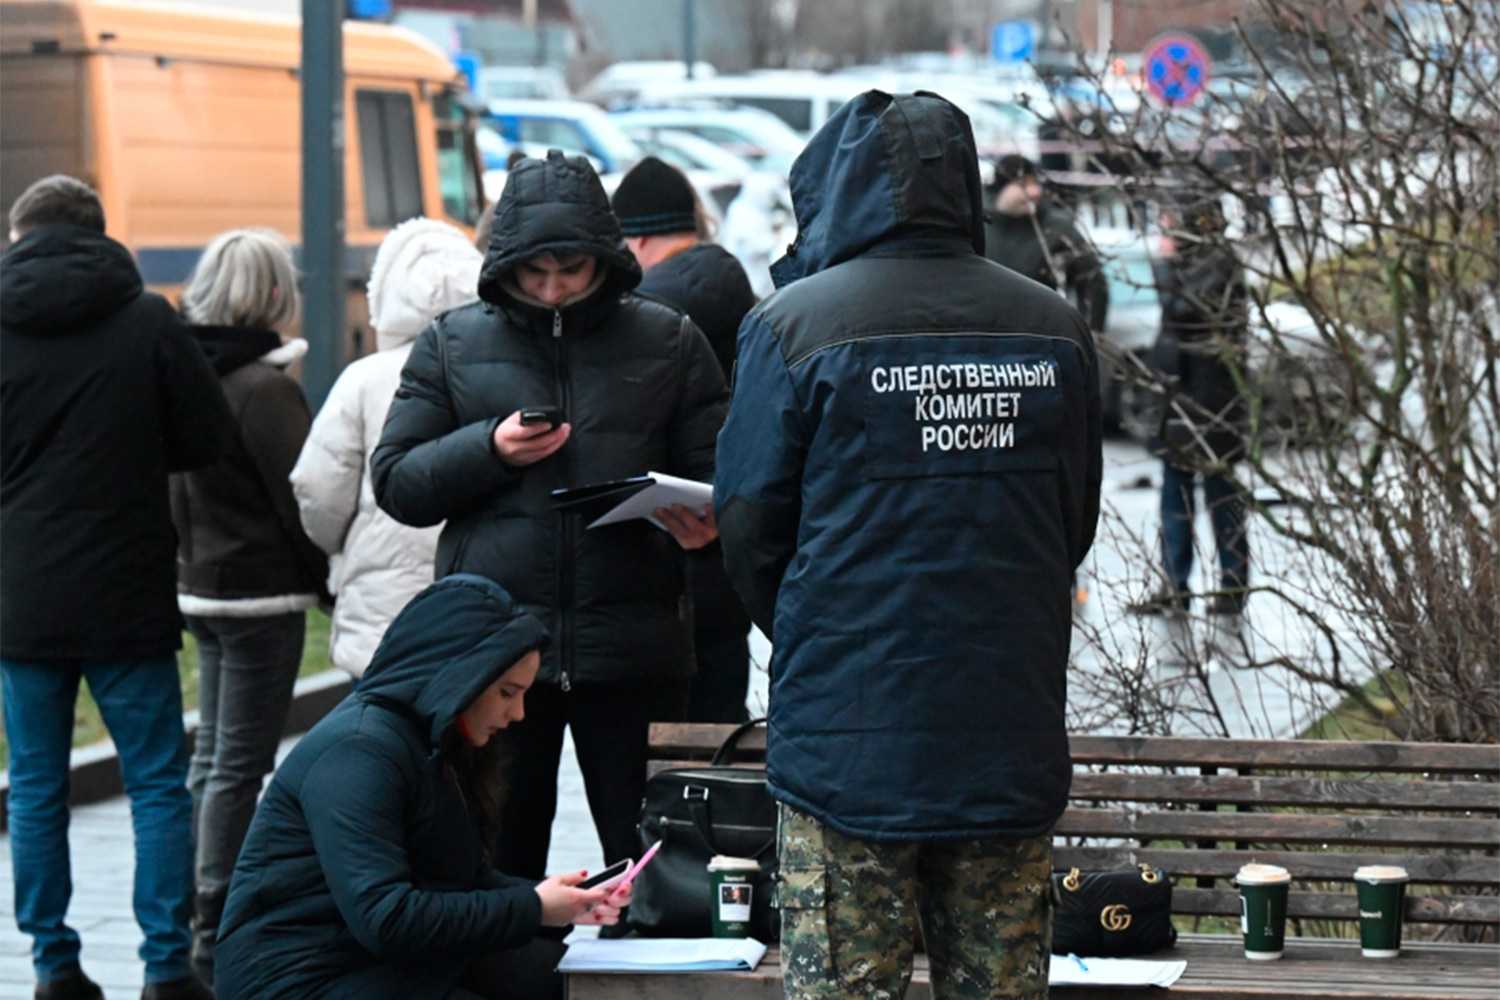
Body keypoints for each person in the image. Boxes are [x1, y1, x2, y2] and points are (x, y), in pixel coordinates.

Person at [714, 92, 1102, 1000]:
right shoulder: (1055, 330)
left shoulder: (792, 328)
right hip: (1004, 726)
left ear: (837, 188)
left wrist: (815, 623)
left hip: (848, 743)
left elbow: (749, 528)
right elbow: (1069, 523)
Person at [372, 150, 728, 886]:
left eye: (573, 270)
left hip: (631, 648)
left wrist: (707, 522)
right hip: (497, 658)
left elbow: (724, 470)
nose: (556, 289)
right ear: (507, 264)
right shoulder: (454, 342)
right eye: (537, 273)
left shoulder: (667, 338)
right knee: (496, 871)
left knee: (654, 874)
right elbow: (398, 481)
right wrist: (489, 449)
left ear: (605, 257)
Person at [1, 175, 233, 1000]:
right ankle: (167, 965)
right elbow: (207, 435)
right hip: (126, 582)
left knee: (34, 785)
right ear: (99, 236)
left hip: (20, 593)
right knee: (155, 783)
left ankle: (53, 964)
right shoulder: (146, 319)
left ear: (19, 234)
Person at [213, 574, 628, 1000]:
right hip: (298, 980)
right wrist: (533, 907)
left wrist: (563, 899)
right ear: (461, 676)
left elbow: (461, 879)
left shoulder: (432, 739)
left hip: (374, 961)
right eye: (507, 693)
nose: (518, 713)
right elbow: (386, 920)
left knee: (562, 981)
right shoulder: (357, 753)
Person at [171, 228, 330, 975]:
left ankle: (190, 896)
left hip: (199, 586)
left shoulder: (184, 372)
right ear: (273, 294)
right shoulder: (267, 388)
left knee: (211, 756)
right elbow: (302, 500)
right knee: (240, 760)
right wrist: (327, 579)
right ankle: (217, 915)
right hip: (262, 598)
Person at [291, 218, 483, 678]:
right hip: (476, 605)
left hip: (379, 613)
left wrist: (345, 546)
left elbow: (317, 488)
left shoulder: (362, 379)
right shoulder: (496, 374)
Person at [611, 156, 757, 724]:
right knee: (714, 741)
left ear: (637, 239)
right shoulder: (740, 294)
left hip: (661, 557)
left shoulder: (645, 313)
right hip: (728, 550)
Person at [1131, 196, 1250, 616]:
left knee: (1220, 495)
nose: (1163, 230)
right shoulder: (1199, 263)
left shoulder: (1217, 264)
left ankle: (1232, 586)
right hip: (1179, 399)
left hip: (1210, 401)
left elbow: (1181, 310)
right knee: (1175, 495)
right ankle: (1176, 585)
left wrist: (1165, 265)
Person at [983, 153, 1109, 335]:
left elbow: (1092, 281)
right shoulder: (977, 224)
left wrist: (1088, 334)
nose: (1034, 191)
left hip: (1038, 335)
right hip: (983, 336)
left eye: (1036, 183)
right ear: (1001, 189)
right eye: (1023, 184)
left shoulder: (1056, 226)